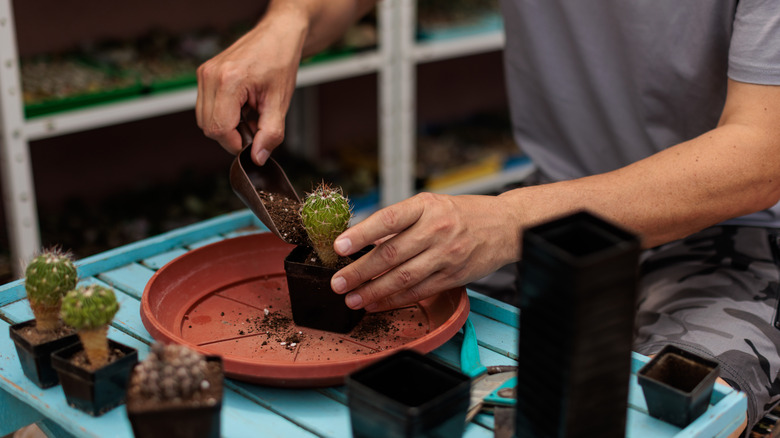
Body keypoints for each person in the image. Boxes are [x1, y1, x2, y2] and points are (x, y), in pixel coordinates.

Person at [197, 1, 780, 434]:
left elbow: (762, 152)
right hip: (553, 201)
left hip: (726, 230)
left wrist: (510, 222)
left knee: (680, 416)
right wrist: (289, 22)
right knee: (390, 373)